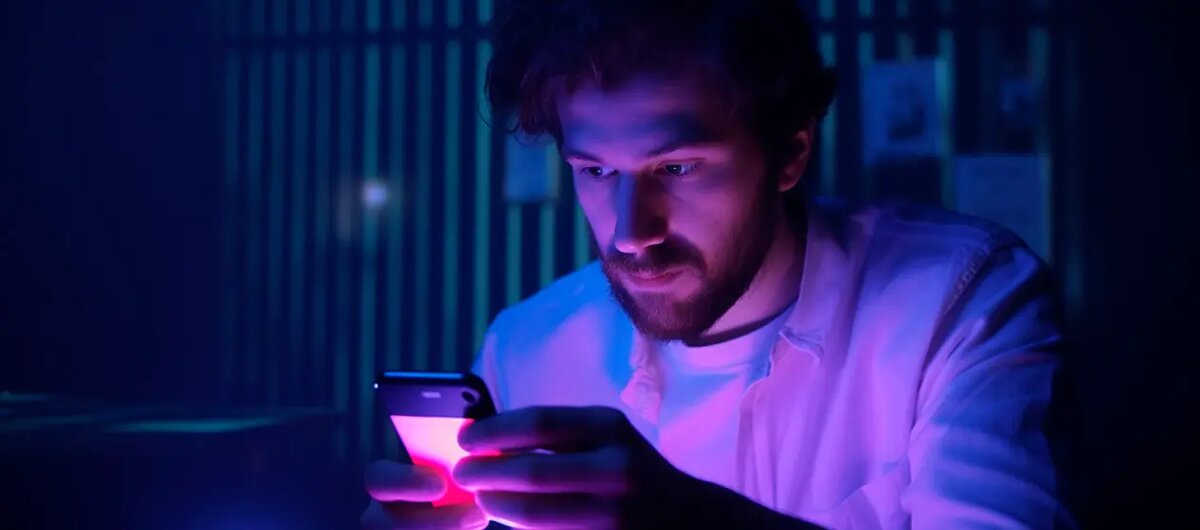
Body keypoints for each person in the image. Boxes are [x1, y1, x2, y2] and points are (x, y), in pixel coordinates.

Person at [361, 0, 1073, 528]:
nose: (631, 235)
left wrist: (692, 520)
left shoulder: (962, 302)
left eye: (677, 166)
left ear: (790, 152)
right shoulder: (528, 348)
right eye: (597, 172)